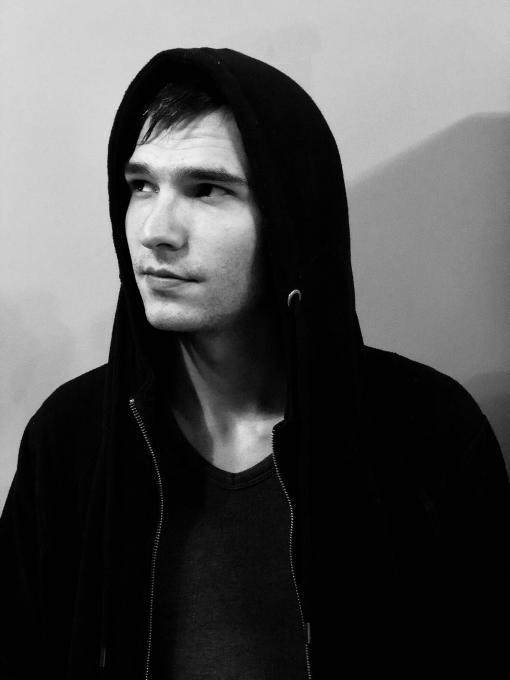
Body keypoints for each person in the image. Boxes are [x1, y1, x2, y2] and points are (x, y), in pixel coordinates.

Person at [1, 47, 509, 679]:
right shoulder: (72, 439)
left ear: (292, 219)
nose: (155, 230)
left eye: (207, 189)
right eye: (140, 186)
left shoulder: (430, 435)